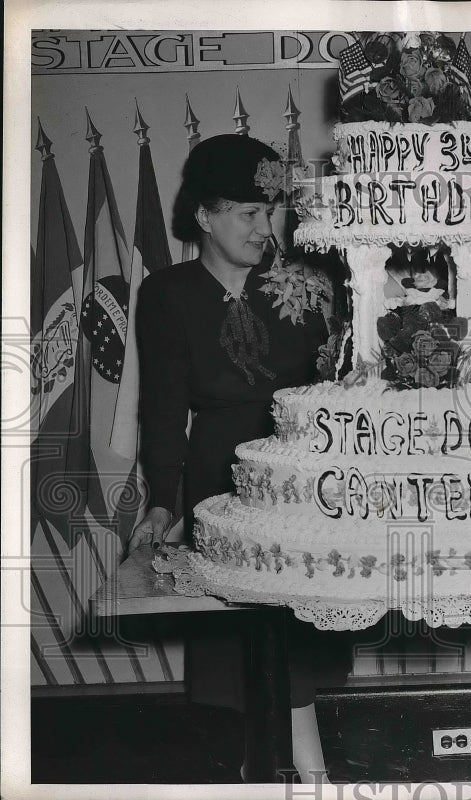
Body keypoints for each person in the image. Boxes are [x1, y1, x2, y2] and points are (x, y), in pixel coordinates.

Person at [128, 134, 337, 784]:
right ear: (204, 216)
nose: (264, 226)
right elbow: (163, 409)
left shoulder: (302, 288)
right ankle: (278, 775)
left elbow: (334, 392)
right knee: (241, 650)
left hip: (299, 478)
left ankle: (309, 777)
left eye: (268, 211)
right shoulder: (167, 294)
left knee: (292, 643)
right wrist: (163, 500)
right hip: (219, 484)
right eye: (247, 213)